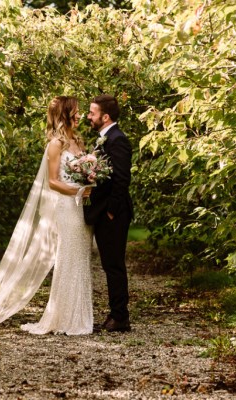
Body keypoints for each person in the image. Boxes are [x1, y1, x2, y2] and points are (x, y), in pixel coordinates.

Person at [0, 96, 95, 335]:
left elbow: (82, 173)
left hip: (80, 207)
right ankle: (64, 318)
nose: (79, 115)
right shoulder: (55, 144)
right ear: (64, 114)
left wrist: (90, 180)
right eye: (75, 111)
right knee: (68, 258)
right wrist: (79, 190)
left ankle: (78, 314)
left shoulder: (78, 141)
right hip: (66, 207)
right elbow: (53, 182)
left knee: (80, 258)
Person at [84, 94, 134, 333]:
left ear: (105, 116)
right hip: (104, 211)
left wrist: (112, 211)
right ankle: (115, 314)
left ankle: (120, 317)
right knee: (109, 264)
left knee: (114, 265)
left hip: (113, 213)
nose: (88, 116)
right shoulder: (104, 139)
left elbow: (122, 179)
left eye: (92, 113)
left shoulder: (117, 140)